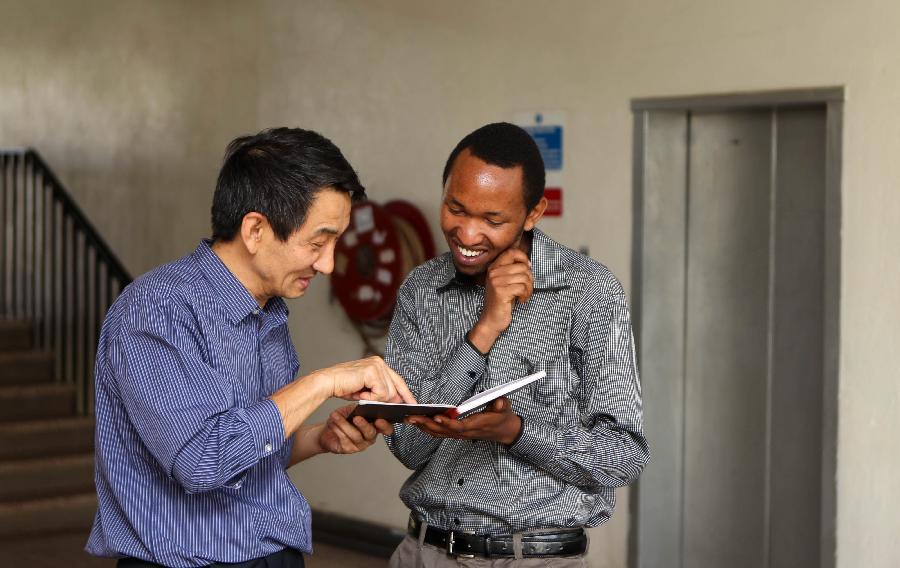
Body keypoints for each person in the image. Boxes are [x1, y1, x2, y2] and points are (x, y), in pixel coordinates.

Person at [85, 127, 414, 568]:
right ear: (255, 229)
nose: (329, 264)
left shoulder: (269, 312)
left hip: (273, 555)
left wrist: (321, 438)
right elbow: (202, 462)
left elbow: (247, 455)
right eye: (318, 242)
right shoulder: (156, 310)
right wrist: (324, 382)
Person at [382, 122, 649, 566]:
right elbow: (408, 446)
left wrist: (516, 433)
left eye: (492, 220)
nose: (467, 235)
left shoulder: (590, 292)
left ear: (533, 213)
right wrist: (484, 329)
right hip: (426, 553)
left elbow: (623, 456)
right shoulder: (421, 290)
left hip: (540, 559)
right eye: (456, 208)